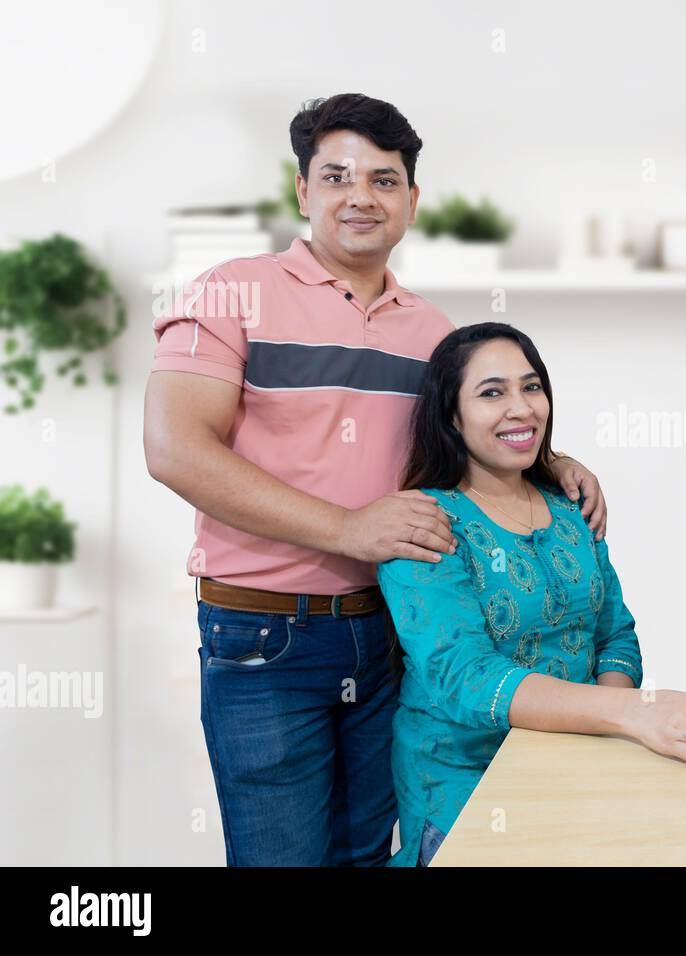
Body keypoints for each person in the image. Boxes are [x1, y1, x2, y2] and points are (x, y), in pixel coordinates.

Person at [144, 93, 608, 866]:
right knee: (281, 857)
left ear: (412, 201)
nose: (361, 196)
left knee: (366, 852)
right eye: (337, 176)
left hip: (389, 630)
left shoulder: (429, 332)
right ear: (302, 192)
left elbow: (465, 431)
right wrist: (345, 528)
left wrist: (552, 461)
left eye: (385, 180)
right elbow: (175, 449)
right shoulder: (231, 291)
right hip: (263, 635)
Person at [379, 322, 686, 866]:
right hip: (466, 775)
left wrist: (611, 721)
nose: (521, 408)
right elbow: (466, 678)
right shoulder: (423, 522)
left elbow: (615, 635)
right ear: (451, 415)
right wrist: (626, 712)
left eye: (531, 386)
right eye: (492, 393)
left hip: (578, 755)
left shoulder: (569, 508)